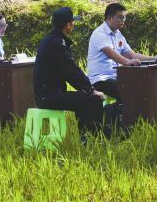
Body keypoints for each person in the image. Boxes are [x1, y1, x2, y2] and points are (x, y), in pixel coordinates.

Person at [34, 7, 106, 137]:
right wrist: (90, 90)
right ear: (67, 25)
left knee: (84, 99)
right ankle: (91, 139)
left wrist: (85, 89)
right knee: (92, 100)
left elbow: (70, 72)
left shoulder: (51, 40)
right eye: (72, 22)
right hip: (49, 96)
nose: (73, 25)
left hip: (47, 93)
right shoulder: (57, 44)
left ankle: (87, 136)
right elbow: (71, 71)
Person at [86, 2, 156, 102]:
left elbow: (131, 54)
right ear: (110, 18)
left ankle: (125, 113)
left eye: (124, 18)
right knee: (127, 89)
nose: (123, 20)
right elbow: (111, 53)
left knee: (140, 84)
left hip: (115, 76)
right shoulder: (99, 33)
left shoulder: (118, 34)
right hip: (100, 79)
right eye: (120, 17)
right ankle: (117, 114)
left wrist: (155, 58)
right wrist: (127, 62)